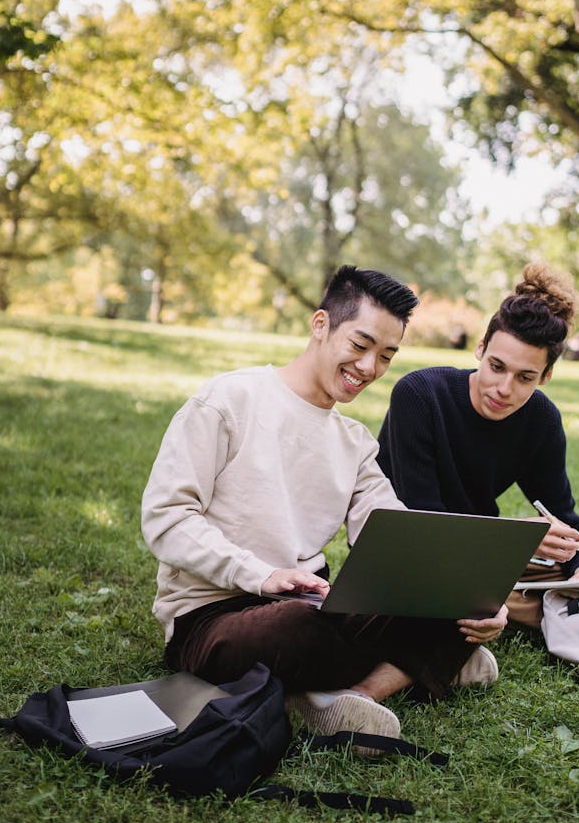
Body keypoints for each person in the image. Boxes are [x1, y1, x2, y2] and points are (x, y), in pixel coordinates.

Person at [142, 265, 505, 745]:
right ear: (320, 325)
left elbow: (396, 536)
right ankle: (416, 666)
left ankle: (351, 697)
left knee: (443, 605)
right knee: (298, 627)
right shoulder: (228, 400)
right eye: (360, 345)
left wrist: (474, 597)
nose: (369, 368)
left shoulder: (353, 442)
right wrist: (259, 575)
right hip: (213, 616)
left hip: (311, 601)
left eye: (386, 356)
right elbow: (166, 519)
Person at [377, 262, 579, 631]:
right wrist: (519, 539)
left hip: (481, 559)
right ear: (481, 349)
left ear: (545, 376)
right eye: (497, 366)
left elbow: (563, 517)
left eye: (525, 377)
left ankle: (503, 604)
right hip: (409, 554)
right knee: (440, 590)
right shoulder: (419, 396)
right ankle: (514, 608)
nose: (504, 388)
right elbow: (425, 526)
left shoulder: (542, 421)